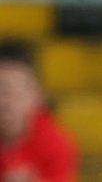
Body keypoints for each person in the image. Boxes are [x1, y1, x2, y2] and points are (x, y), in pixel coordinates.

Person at [0, 42, 78, 182]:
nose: (6, 102)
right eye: (2, 91)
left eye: (14, 92)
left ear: (37, 96)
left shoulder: (56, 144)